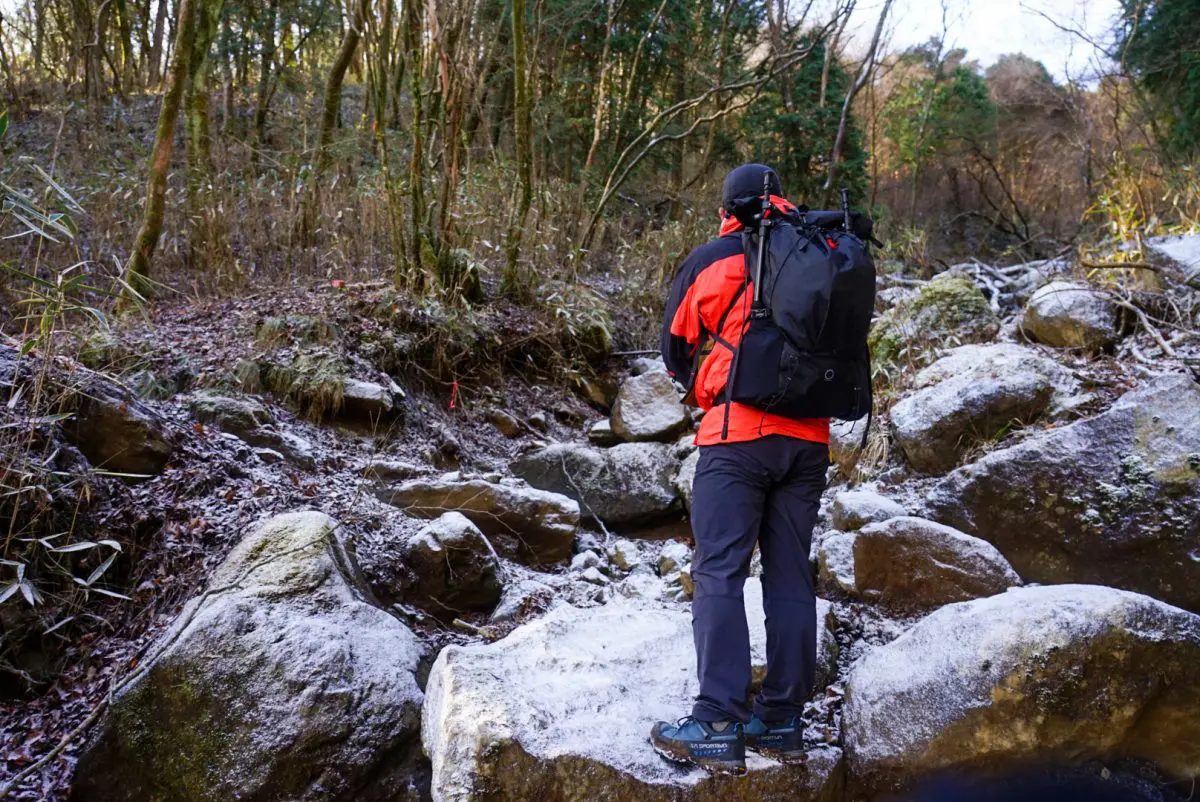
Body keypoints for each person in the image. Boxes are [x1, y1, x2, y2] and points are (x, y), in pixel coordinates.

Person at [650, 163, 829, 776]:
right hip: (809, 443)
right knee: (789, 577)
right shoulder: (821, 251)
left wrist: (700, 369)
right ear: (782, 201)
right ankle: (781, 721)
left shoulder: (715, 258)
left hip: (736, 439)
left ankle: (716, 722)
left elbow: (675, 349)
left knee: (720, 571)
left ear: (728, 207)